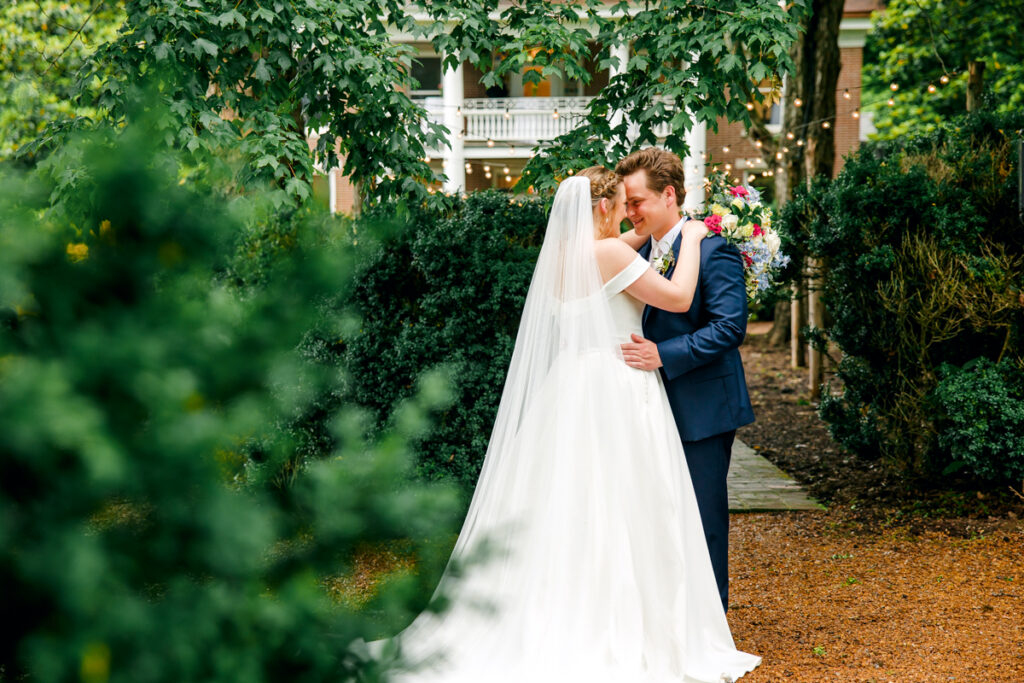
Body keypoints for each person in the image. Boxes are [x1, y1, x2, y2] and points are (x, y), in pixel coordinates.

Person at [379, 167, 760, 683]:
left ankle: (566, 612)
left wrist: (670, 229)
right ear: (604, 207)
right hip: (617, 386)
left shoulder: (564, 259)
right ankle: (629, 622)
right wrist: (692, 236)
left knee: (572, 505)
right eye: (623, 202)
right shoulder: (612, 253)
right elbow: (678, 297)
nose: (630, 211)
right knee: (628, 504)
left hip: (571, 387)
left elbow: (636, 243)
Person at [615, 147, 755, 613]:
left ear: (669, 194)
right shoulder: (636, 252)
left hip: (702, 406)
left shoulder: (714, 249)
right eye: (625, 203)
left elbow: (729, 326)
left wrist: (663, 354)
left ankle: (710, 621)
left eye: (637, 202)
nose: (629, 211)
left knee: (701, 516)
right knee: (656, 514)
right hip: (645, 404)